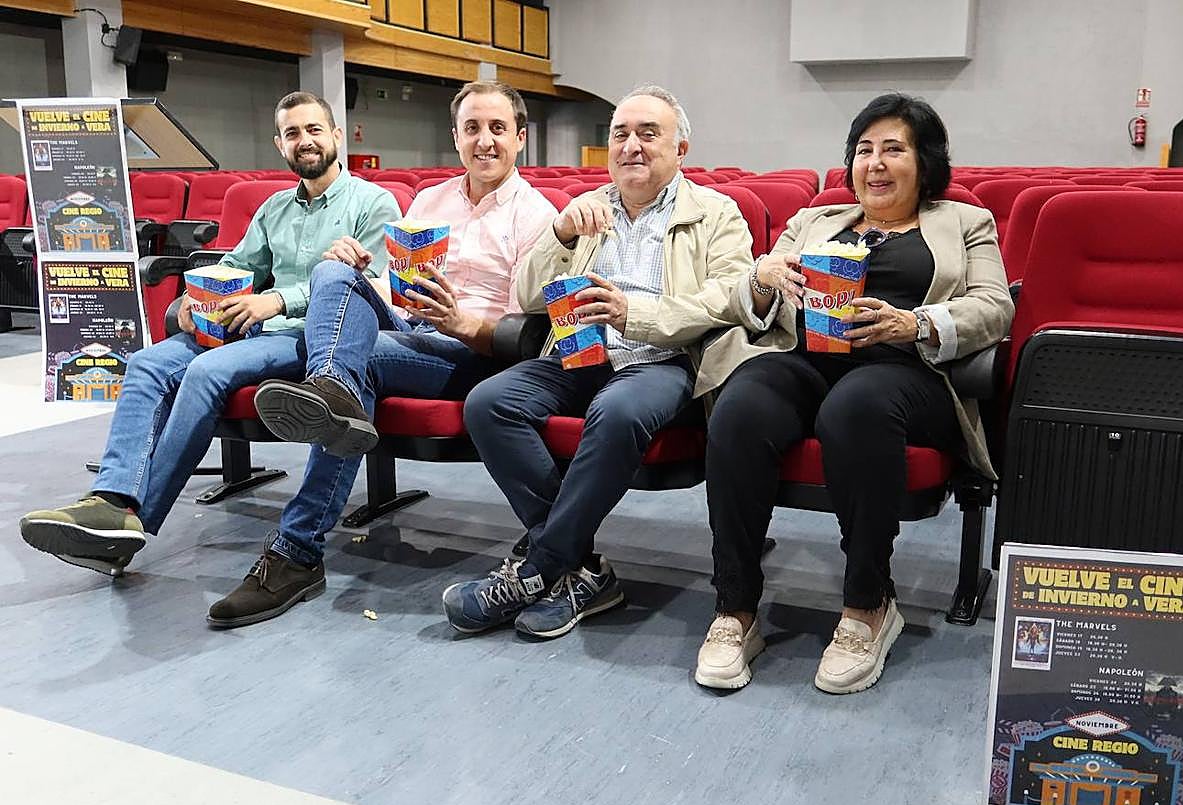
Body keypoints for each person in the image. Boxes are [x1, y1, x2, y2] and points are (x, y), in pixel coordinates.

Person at [19, 91, 401, 628]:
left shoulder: (371, 204)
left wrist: (277, 300)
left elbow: (372, 290)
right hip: (250, 323)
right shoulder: (274, 208)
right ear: (280, 144)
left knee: (202, 372)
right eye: (292, 133)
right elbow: (237, 266)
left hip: (311, 336)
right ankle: (110, 498)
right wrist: (199, 299)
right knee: (149, 363)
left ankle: (135, 522)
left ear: (337, 136)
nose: (305, 141)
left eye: (314, 130)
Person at [693, 93, 1013, 693]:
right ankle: (734, 608)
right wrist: (762, 281)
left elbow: (995, 306)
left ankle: (868, 603)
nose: (875, 163)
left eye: (894, 149)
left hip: (905, 367)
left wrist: (913, 323)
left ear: (926, 162)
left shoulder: (965, 223)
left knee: (856, 407)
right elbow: (753, 299)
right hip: (806, 355)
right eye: (864, 150)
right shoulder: (815, 222)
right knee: (740, 405)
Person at [442, 84, 754, 639]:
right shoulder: (587, 209)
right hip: (577, 353)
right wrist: (560, 233)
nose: (631, 145)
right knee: (489, 402)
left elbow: (729, 298)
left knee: (614, 412)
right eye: (620, 134)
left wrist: (632, 312)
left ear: (681, 148)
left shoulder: (715, 213)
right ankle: (582, 570)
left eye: (647, 133)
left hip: (664, 359)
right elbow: (529, 295)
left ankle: (536, 569)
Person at [243, 80, 556, 624]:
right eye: (472, 129)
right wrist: (367, 273)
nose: (484, 141)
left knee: (354, 367)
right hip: (407, 330)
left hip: (473, 353)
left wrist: (459, 322)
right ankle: (332, 390)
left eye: (497, 129)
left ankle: (296, 552)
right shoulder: (431, 200)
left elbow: (527, 333)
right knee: (333, 268)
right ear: (455, 138)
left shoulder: (537, 217)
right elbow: (397, 285)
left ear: (521, 138)